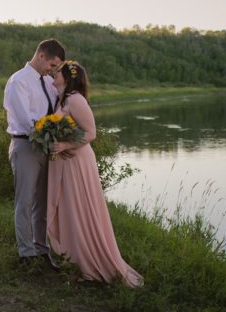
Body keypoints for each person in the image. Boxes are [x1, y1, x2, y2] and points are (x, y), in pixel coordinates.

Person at [47, 60, 143, 287]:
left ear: (67, 77)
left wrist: (65, 145)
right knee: (68, 208)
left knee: (79, 207)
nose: (54, 74)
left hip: (76, 162)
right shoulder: (61, 99)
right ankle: (71, 256)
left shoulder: (75, 99)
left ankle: (89, 261)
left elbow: (91, 133)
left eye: (58, 72)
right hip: (64, 161)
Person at [3, 39, 65, 265]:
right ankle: (26, 253)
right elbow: (25, 120)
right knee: (25, 200)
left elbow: (59, 109)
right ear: (41, 56)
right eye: (52, 65)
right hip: (26, 145)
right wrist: (50, 133)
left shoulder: (48, 82)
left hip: (47, 147)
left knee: (43, 201)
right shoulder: (18, 81)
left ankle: (41, 248)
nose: (52, 70)